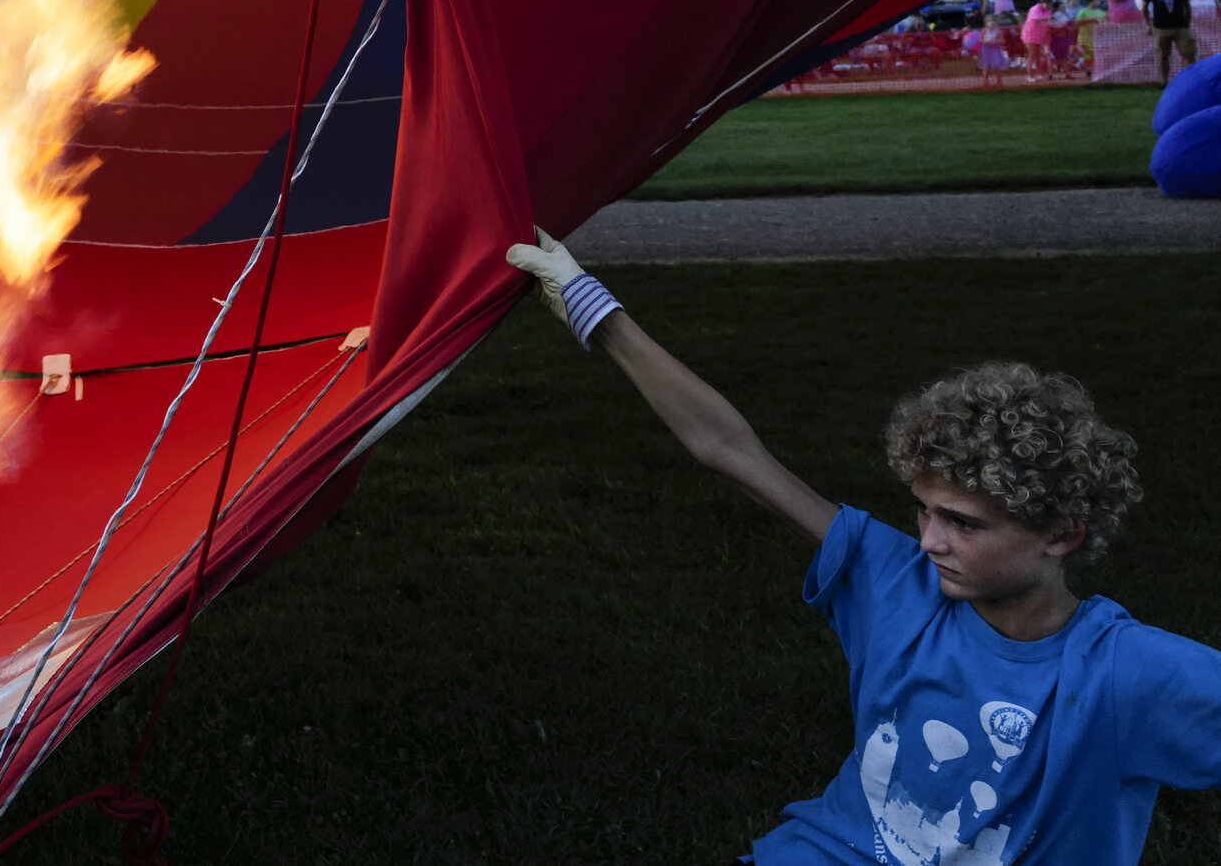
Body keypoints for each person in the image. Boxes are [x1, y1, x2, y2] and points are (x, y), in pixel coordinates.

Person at [507, 232, 1221, 863]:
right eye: (924, 511)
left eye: (964, 524)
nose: (930, 540)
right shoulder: (896, 582)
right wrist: (589, 305)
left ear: (1062, 535)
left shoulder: (1126, 674)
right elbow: (730, 450)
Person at [1142, 0, 1195, 82]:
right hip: (1161, 27)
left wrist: (1187, 22)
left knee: (1189, 53)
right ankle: (1164, 81)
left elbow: (1187, 6)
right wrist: (1146, 24)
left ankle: (1189, 80)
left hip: (1181, 27)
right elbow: (1144, 8)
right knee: (1163, 55)